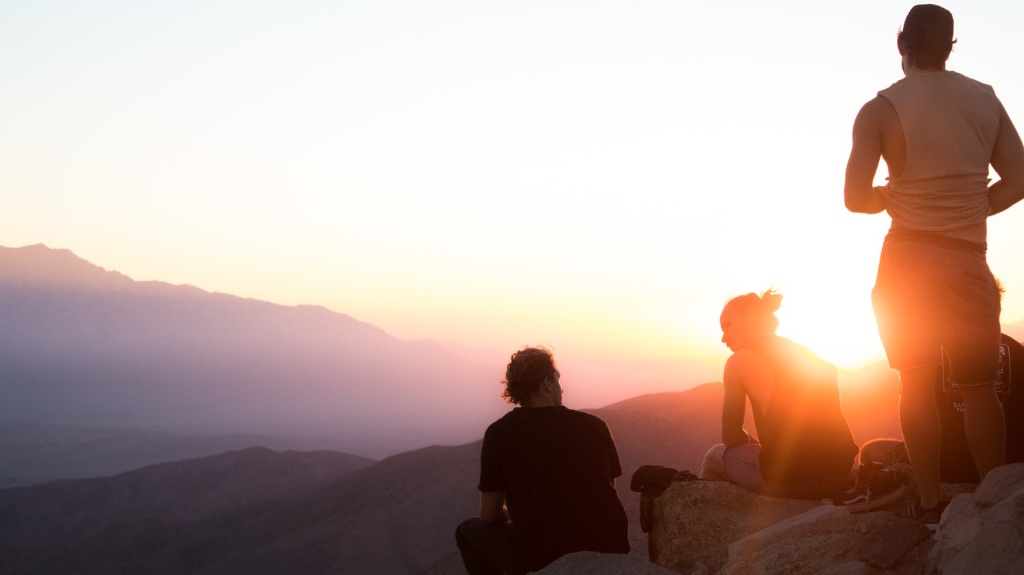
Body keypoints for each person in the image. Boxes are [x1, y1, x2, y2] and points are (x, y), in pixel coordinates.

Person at [844, 4, 1024, 524]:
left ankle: (928, 499)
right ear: (950, 46)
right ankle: (994, 502)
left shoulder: (879, 109)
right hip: (967, 259)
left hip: (906, 261)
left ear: (902, 43)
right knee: (979, 388)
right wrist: (973, 205)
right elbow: (1017, 180)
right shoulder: (985, 99)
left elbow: (855, 198)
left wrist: (895, 197)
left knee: (917, 384)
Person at [455, 346, 629, 575]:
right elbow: (605, 492)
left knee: (466, 531)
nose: (562, 387)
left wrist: (516, 514)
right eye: (558, 379)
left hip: (541, 556)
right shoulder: (595, 426)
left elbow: (488, 515)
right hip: (609, 547)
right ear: (547, 383)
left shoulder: (500, 433)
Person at [699, 290, 860, 500]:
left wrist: (750, 441)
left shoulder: (739, 361)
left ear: (750, 317)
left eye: (727, 326)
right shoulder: (812, 356)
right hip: (843, 473)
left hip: (793, 481)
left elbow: (730, 437)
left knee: (714, 456)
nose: (723, 337)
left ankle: (708, 521)